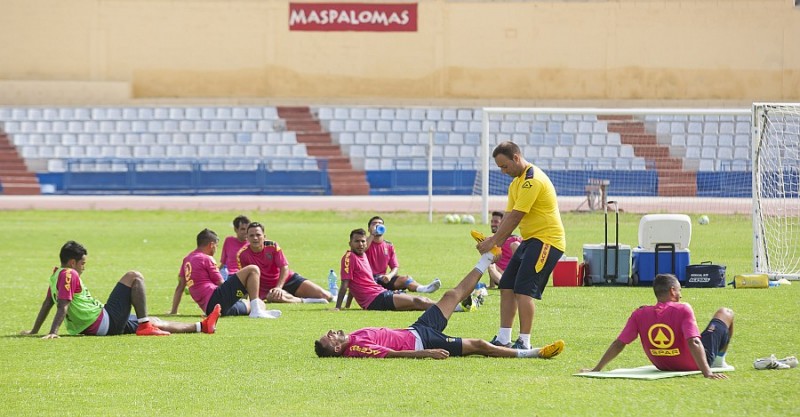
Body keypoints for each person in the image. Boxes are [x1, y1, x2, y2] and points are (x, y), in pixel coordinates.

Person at [315, 251, 565, 359]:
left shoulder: (351, 338)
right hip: (424, 342)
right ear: (337, 349)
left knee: (450, 295)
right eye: (330, 338)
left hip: (417, 329)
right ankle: (533, 353)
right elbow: (391, 354)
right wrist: (426, 353)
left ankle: (486, 259)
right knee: (478, 346)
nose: (331, 333)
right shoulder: (356, 349)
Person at [21, 240, 222, 338]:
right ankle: (144, 326)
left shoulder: (55, 275)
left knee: (155, 320)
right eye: (82, 262)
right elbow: (62, 306)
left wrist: (34, 331)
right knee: (134, 276)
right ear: (72, 262)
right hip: (102, 321)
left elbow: (48, 302)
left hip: (97, 325)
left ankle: (202, 326)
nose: (85, 266)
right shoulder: (69, 274)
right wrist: (53, 332)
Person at [475, 141, 566, 350]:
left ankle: (524, 341)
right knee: (506, 285)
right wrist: (498, 245)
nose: (503, 171)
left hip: (547, 241)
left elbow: (517, 216)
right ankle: (503, 338)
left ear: (516, 158)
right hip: (530, 240)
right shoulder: (516, 183)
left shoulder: (531, 181)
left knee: (524, 291)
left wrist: (492, 241)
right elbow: (508, 215)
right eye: (499, 167)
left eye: (505, 166)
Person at [581, 274, 734, 379]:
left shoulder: (639, 313)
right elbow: (693, 341)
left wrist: (596, 369)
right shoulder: (683, 308)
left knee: (700, 335)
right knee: (726, 312)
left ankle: (716, 361)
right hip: (694, 364)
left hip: (662, 364)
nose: (681, 295)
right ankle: (719, 361)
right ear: (672, 291)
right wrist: (707, 372)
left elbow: (619, 343)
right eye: (680, 290)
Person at [170, 228, 281, 319]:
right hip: (215, 299)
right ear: (211, 245)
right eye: (216, 246)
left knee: (260, 303)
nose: (216, 249)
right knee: (253, 269)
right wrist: (241, 287)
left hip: (212, 309)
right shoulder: (206, 258)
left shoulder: (187, 259)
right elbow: (221, 283)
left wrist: (174, 311)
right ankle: (256, 312)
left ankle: (258, 310)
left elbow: (180, 287)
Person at [335, 228, 449, 312]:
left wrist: (348, 306)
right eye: (357, 241)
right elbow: (346, 283)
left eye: (363, 241)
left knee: (419, 301)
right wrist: (338, 307)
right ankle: (452, 306)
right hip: (375, 299)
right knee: (418, 302)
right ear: (350, 243)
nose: (360, 244)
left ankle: (454, 306)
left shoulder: (363, 255)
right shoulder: (349, 258)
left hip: (380, 293)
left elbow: (355, 283)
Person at [236, 222, 331, 304]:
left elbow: (284, 267)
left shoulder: (272, 246)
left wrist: (279, 287)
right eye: (251, 235)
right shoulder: (242, 254)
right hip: (267, 290)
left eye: (258, 235)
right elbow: (246, 279)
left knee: (326, 296)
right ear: (247, 237)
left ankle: (338, 297)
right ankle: (306, 301)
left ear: (264, 237)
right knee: (271, 297)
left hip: (286, 280)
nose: (255, 238)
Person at [365, 215, 440, 293]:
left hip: (383, 279)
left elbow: (395, 267)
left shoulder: (388, 245)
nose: (377, 225)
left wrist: (389, 276)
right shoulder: (364, 243)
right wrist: (372, 235)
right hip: (368, 279)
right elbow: (363, 249)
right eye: (374, 224)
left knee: (406, 279)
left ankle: (424, 288)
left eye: (380, 223)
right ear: (369, 229)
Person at [484, 211, 522, 289]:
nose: (493, 224)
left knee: (516, 245)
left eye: (496, 222)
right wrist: (492, 285)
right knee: (489, 262)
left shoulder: (514, 239)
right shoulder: (490, 240)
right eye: (492, 221)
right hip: (499, 274)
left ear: (504, 223)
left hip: (512, 274)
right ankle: (503, 284)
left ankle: (510, 283)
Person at [219, 215, 251, 279]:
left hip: (244, 274)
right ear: (235, 229)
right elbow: (223, 263)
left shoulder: (252, 243)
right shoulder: (228, 240)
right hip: (228, 274)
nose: (246, 232)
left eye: (248, 229)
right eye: (242, 229)